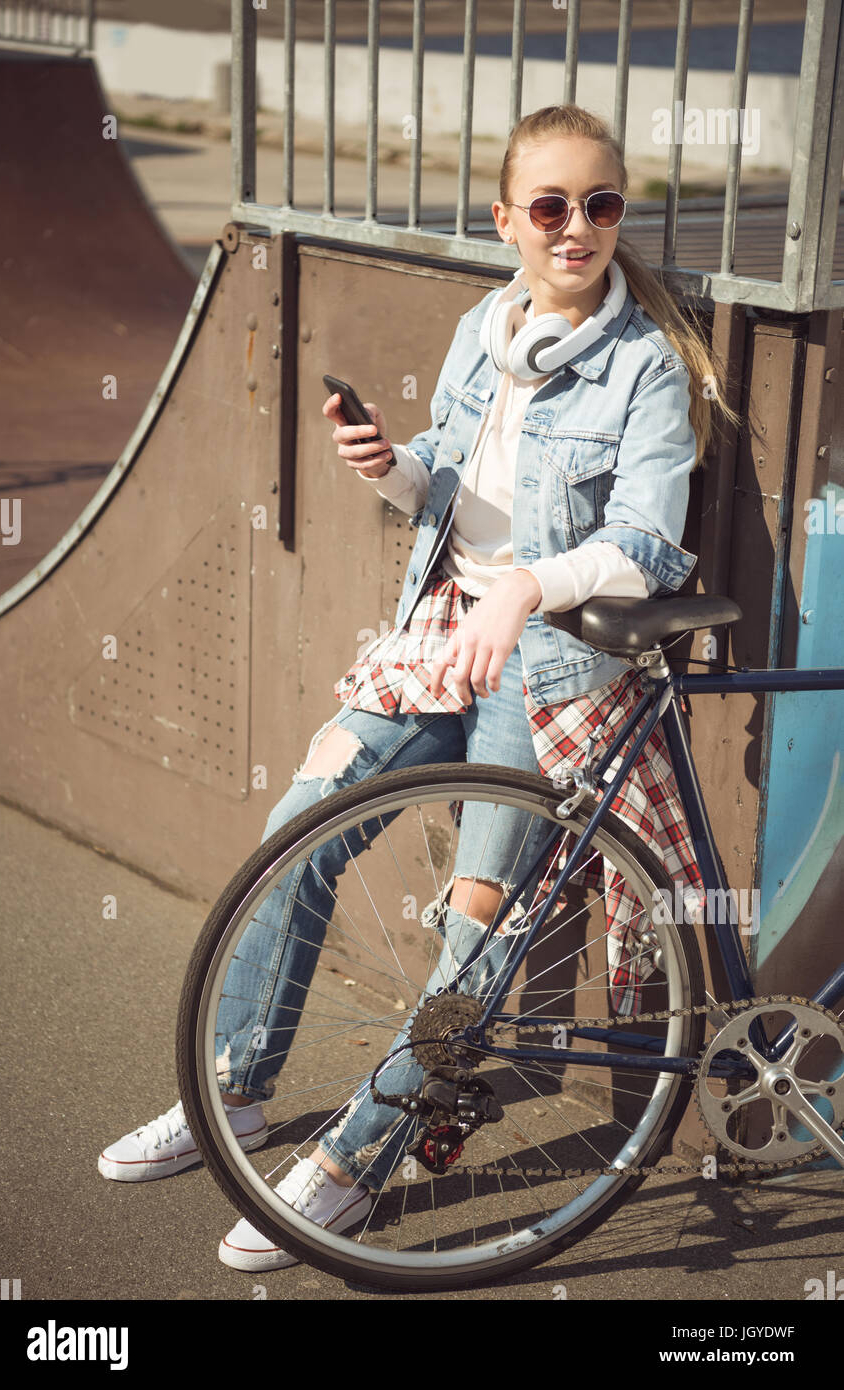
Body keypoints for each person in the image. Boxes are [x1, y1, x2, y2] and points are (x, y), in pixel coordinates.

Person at [98, 104, 737, 1272]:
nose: (577, 228)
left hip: (545, 670)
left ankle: (350, 1165)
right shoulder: (478, 329)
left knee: (474, 934)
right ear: (506, 221)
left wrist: (524, 590)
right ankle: (232, 1095)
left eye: (600, 205)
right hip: (439, 635)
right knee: (298, 832)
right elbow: (448, 487)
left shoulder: (643, 366)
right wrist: (392, 470)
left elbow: (651, 544)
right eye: (549, 207)